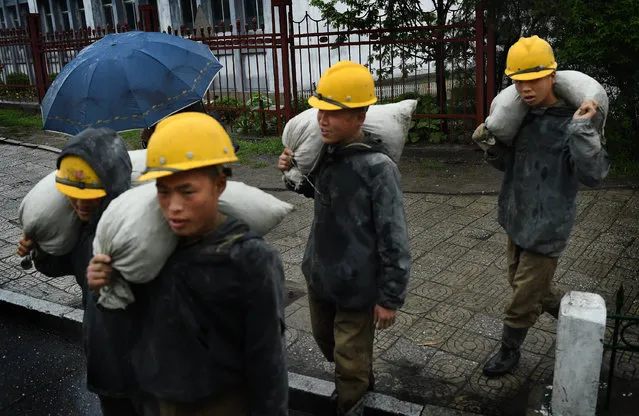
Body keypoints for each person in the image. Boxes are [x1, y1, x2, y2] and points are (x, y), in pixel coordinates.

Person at [87, 112, 288, 415]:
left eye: (187, 191)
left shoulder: (252, 261)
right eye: (163, 192)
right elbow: (132, 322)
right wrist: (103, 285)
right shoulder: (151, 250)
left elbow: (268, 361)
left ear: (219, 185)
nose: (174, 207)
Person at [277, 61, 411, 415]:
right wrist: (290, 173)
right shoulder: (324, 154)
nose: (322, 119)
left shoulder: (379, 169)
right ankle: (360, 384)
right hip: (320, 274)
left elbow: (394, 237)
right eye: (320, 111)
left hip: (358, 286)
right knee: (327, 343)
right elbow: (316, 194)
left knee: (349, 360)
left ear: (360, 115)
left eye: (333, 113)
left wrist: (390, 297)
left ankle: (353, 397)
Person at [474, 36, 610, 377]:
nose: (526, 88)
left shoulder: (574, 122)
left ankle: (509, 350)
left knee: (522, 298)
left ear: (552, 76)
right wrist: (491, 148)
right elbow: (510, 167)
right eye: (518, 81)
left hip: (548, 226)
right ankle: (583, 321)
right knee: (532, 290)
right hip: (516, 216)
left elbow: (594, 175)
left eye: (534, 79)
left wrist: (582, 129)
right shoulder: (523, 119)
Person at [16, 128, 139, 415]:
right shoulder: (80, 231)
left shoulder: (137, 228)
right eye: (73, 196)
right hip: (102, 353)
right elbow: (59, 267)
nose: (81, 204)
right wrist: (40, 251)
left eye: (90, 196)